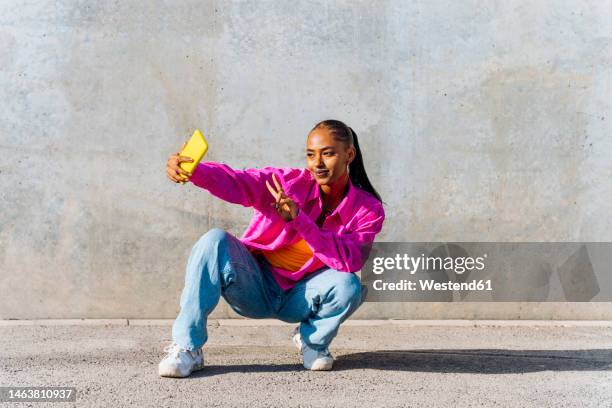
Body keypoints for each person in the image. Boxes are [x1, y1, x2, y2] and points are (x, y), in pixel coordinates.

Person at [159, 119, 385, 377]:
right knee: (213, 240)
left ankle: (312, 341)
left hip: (300, 298)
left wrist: (300, 221)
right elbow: (239, 182)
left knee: (348, 285)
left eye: (328, 153)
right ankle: (188, 347)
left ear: (349, 155)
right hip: (254, 287)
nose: (318, 164)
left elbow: (350, 260)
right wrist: (195, 171)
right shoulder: (287, 184)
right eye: (311, 155)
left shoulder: (368, 209)